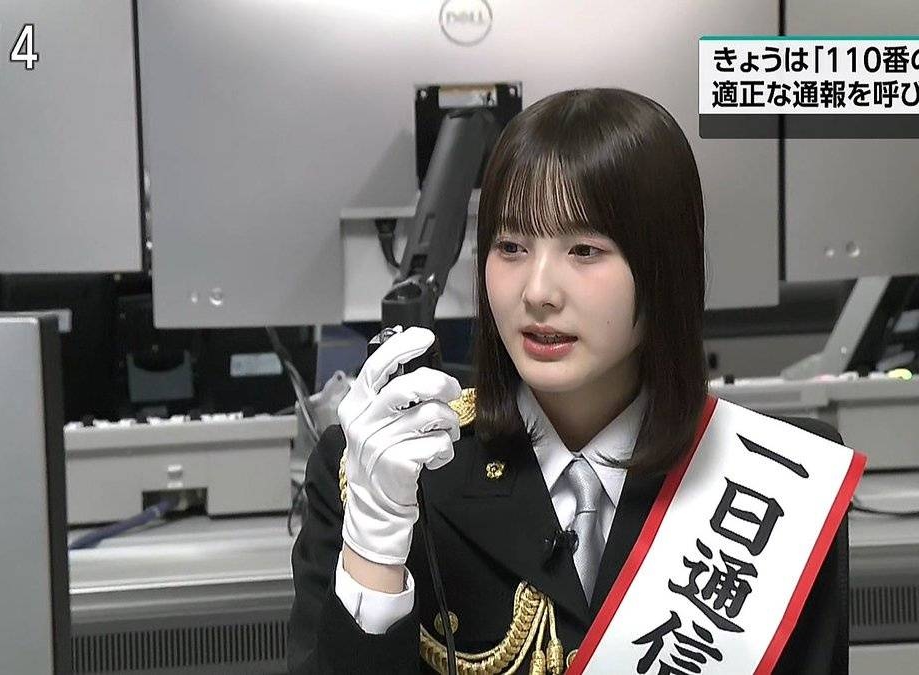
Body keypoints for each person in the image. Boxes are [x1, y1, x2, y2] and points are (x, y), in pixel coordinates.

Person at [288, 88, 848, 674]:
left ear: (666, 267)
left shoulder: (777, 483)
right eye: (511, 247)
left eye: (584, 250)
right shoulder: (386, 472)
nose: (537, 292)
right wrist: (374, 558)